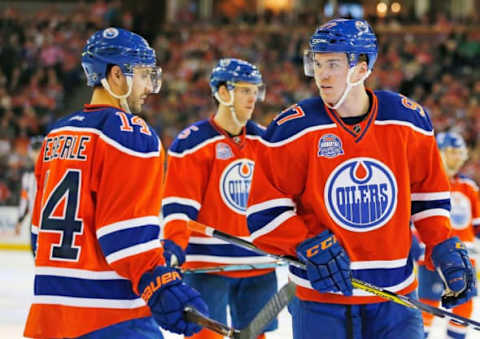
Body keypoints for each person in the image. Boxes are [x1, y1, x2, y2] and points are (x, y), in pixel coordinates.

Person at [245, 18, 476, 339]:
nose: (321, 75)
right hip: (321, 299)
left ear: (362, 67)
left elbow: (428, 197)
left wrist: (442, 243)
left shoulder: (408, 120)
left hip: (394, 297)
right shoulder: (292, 128)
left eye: (333, 64)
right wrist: (305, 243)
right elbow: (262, 213)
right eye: (317, 63)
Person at [23, 27, 207, 339]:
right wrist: (160, 282)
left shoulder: (56, 134)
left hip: (49, 315)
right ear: (117, 76)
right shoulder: (129, 132)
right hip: (112, 316)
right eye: (145, 75)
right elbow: (126, 236)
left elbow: (38, 236)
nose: (149, 86)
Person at [162, 58, 278, 339]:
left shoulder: (266, 143)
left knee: (256, 336)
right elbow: (179, 207)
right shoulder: (192, 143)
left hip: (257, 262)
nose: (253, 99)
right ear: (223, 93)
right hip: (207, 264)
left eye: (256, 91)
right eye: (245, 90)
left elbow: (280, 202)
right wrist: (174, 247)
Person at [416, 131, 480, 339]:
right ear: (439, 152)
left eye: (459, 152)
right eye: (452, 151)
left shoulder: (469, 188)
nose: (457, 156)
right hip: (432, 259)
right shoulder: (424, 184)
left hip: (463, 260)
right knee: (427, 307)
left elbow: (477, 226)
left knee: (464, 308)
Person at [15, 135, 43, 255]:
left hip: (48, 218)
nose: (36, 154)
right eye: (35, 150)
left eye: (38, 150)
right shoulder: (27, 175)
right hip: (35, 219)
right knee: (35, 251)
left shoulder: (52, 170)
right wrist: (20, 220)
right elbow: (25, 200)